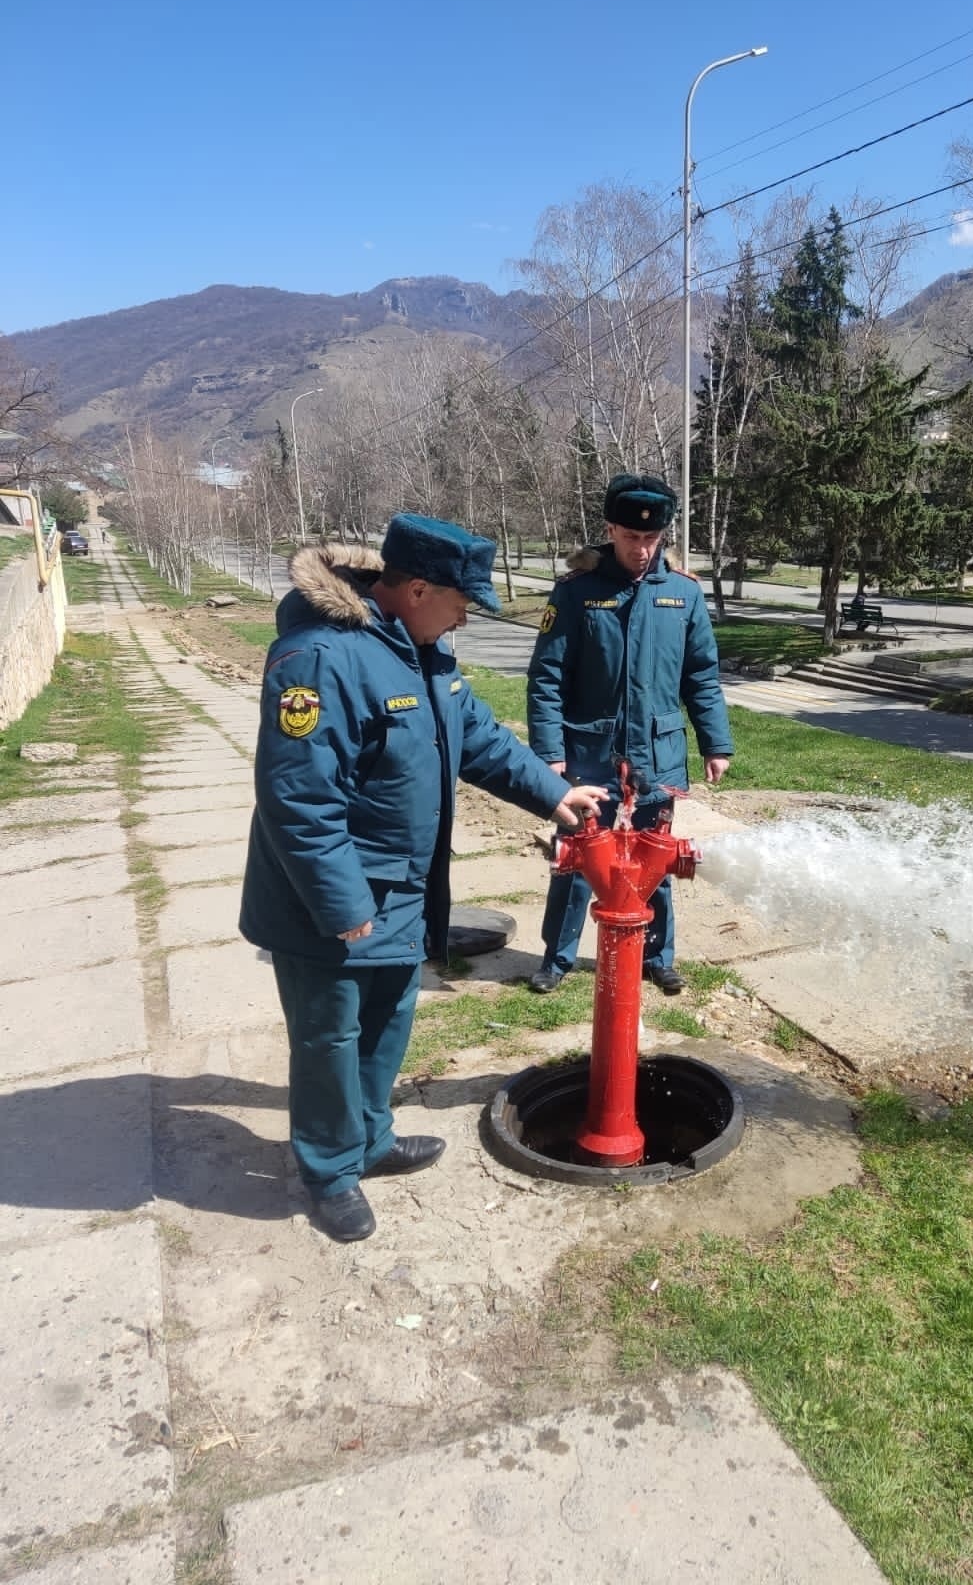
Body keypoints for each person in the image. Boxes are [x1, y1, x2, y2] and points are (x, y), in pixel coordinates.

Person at [240, 513, 607, 1243]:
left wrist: (551, 792)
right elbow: (298, 799)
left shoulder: (423, 650)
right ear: (414, 589)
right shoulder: (320, 658)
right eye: (461, 600)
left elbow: (477, 737)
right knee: (329, 1042)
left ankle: (369, 1142)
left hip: (403, 894)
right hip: (330, 905)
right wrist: (341, 903)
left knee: (385, 1026)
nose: (468, 615)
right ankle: (329, 1171)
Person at [526, 472, 734, 998]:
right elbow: (547, 676)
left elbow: (701, 674)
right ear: (610, 530)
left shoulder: (682, 594)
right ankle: (557, 957)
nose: (641, 550)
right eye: (630, 537)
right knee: (576, 858)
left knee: (656, 859)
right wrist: (549, 752)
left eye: (651, 539)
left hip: (657, 755)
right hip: (588, 752)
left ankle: (658, 957)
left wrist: (716, 742)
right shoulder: (577, 593)